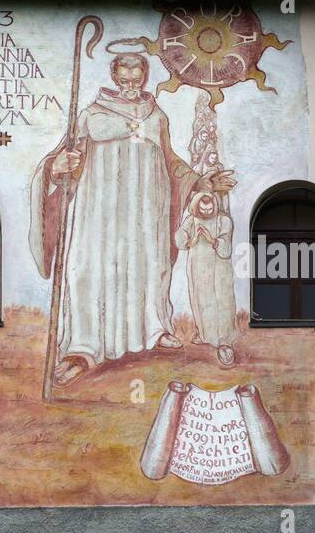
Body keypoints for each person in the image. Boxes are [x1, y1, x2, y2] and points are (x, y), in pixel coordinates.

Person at [29, 52, 235, 386]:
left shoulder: (156, 116)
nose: (129, 87)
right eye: (123, 80)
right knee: (86, 271)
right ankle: (81, 349)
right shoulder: (91, 115)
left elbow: (171, 162)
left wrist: (202, 181)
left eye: (135, 80)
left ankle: (152, 331)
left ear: (143, 78)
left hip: (146, 209)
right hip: (99, 212)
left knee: (148, 267)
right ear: (114, 78)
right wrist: (58, 167)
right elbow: (65, 159)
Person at [175, 191, 237, 367]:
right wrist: (192, 240)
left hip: (219, 271)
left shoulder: (224, 221)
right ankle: (205, 335)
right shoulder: (192, 220)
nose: (207, 212)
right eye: (203, 209)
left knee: (222, 302)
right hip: (198, 268)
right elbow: (180, 240)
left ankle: (224, 343)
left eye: (210, 208)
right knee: (202, 301)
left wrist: (212, 240)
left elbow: (226, 250)